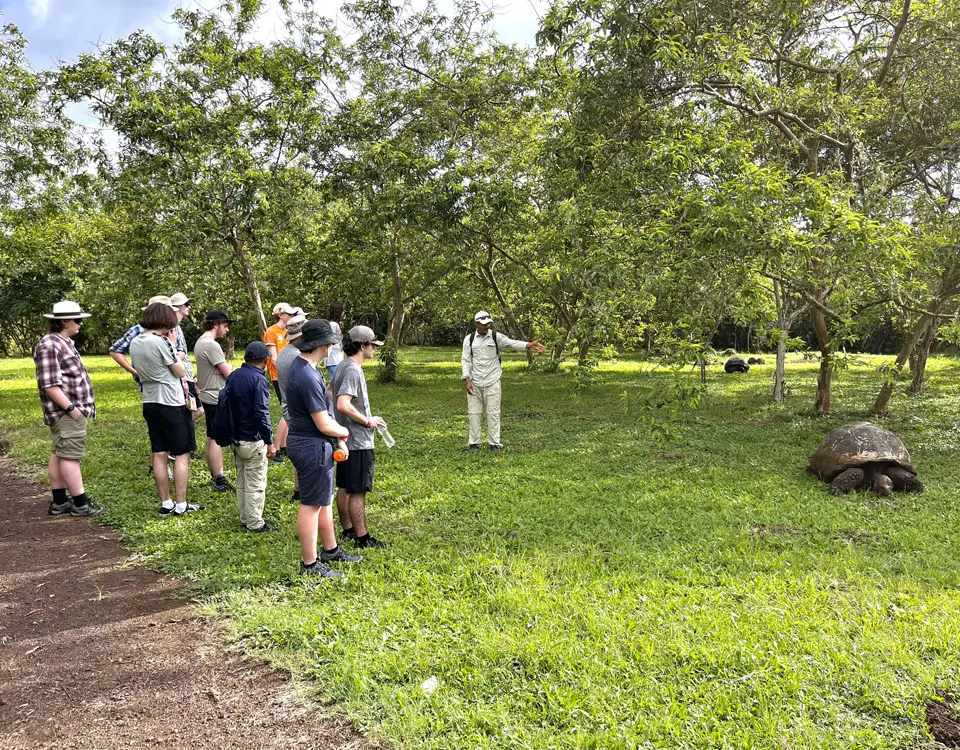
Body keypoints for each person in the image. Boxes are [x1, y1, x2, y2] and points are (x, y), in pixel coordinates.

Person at [284, 319, 361, 578]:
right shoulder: (305, 375)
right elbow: (322, 422)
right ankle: (309, 564)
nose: (332, 346)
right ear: (322, 344)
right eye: (330, 342)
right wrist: (344, 432)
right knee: (311, 505)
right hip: (311, 445)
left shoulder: (306, 366)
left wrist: (336, 437)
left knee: (322, 501)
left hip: (315, 443)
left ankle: (330, 550)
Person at [130, 302, 203, 517]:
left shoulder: (136, 341)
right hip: (171, 402)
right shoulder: (161, 342)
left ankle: (166, 502)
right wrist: (172, 346)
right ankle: (181, 504)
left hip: (149, 401)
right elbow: (179, 371)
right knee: (182, 453)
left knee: (158, 452)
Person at [33, 301, 105, 517]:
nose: (81, 324)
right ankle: (81, 503)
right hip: (66, 412)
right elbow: (50, 384)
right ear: (64, 321)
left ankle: (60, 501)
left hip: (70, 410)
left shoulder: (64, 342)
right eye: (78, 319)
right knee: (69, 456)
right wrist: (72, 408)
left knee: (59, 452)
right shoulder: (50, 345)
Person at [331, 325, 387, 548]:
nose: (374, 348)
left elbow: (330, 392)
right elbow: (343, 404)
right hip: (357, 440)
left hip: (345, 439)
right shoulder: (353, 369)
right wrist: (367, 420)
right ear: (362, 346)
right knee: (358, 491)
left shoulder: (343, 365)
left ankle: (347, 530)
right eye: (372, 344)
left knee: (345, 486)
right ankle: (362, 538)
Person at [461, 310, 546, 453]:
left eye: (488, 323)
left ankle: (494, 443)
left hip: (493, 380)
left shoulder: (495, 337)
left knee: (493, 412)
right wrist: (467, 380)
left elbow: (511, 343)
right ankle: (474, 444)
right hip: (475, 381)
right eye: (483, 324)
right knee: (474, 413)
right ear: (476, 324)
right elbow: (465, 360)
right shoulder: (469, 339)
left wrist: (529, 345)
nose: (487, 325)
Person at [224, 342, 277, 532]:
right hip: (253, 439)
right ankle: (255, 524)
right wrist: (270, 442)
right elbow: (262, 413)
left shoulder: (234, 375)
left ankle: (246, 517)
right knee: (255, 482)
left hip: (236, 437)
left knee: (242, 481)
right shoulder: (258, 380)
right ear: (265, 360)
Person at [194, 310, 235, 492]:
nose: (226, 330)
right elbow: (229, 374)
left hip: (207, 395)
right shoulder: (211, 345)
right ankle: (219, 478)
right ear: (216, 324)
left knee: (211, 436)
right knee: (217, 439)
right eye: (225, 325)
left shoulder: (201, 342)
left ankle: (214, 474)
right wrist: (229, 367)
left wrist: (224, 367)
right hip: (215, 396)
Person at [275, 314, 306, 503]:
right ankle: (300, 490)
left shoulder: (285, 352)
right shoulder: (295, 356)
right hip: (297, 411)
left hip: (289, 408)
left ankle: (298, 489)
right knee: (303, 450)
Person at [108, 295, 173, 385]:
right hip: (151, 384)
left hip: (173, 381)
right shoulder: (139, 330)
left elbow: (182, 351)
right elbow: (115, 351)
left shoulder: (174, 328)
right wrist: (136, 373)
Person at [264, 302, 296, 463]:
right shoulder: (271, 331)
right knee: (287, 410)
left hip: (290, 375)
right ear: (280, 314)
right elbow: (274, 358)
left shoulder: (289, 332)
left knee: (289, 409)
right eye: (289, 314)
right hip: (279, 376)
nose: (291, 316)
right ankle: (275, 448)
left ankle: (284, 446)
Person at [324, 302, 345, 382]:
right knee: (336, 383)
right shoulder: (333, 324)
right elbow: (330, 340)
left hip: (336, 358)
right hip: (333, 358)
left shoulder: (335, 324)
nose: (343, 313)